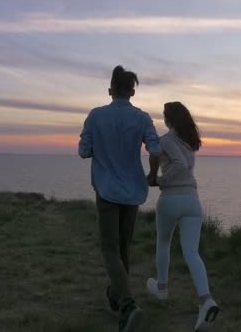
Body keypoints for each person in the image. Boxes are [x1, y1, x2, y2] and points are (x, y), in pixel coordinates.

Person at [79, 65, 161, 332]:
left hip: (106, 191)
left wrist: (99, 146)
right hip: (133, 191)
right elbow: (156, 149)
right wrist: (152, 174)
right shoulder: (142, 118)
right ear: (132, 92)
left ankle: (127, 304)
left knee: (109, 248)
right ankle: (116, 297)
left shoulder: (95, 115)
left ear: (110, 90)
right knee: (124, 246)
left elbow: (84, 151)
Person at [146, 102, 220, 331]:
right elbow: (186, 163)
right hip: (192, 200)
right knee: (191, 251)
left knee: (164, 243)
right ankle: (206, 300)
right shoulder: (189, 142)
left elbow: (179, 164)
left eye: (164, 116)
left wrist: (161, 180)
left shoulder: (167, 140)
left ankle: (162, 288)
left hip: (171, 198)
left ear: (169, 119)